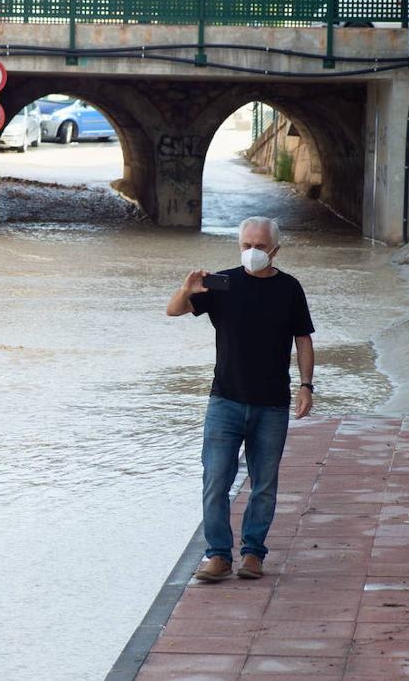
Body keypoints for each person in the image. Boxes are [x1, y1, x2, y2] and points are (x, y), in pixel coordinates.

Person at [165, 217, 314, 581]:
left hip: (272, 405)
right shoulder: (222, 283)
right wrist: (187, 290)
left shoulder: (290, 288)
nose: (252, 252)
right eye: (246, 245)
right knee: (216, 478)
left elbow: (304, 339)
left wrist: (306, 385)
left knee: (264, 483)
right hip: (225, 401)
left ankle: (253, 554)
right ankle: (217, 555)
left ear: (275, 249)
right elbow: (173, 310)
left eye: (260, 246)